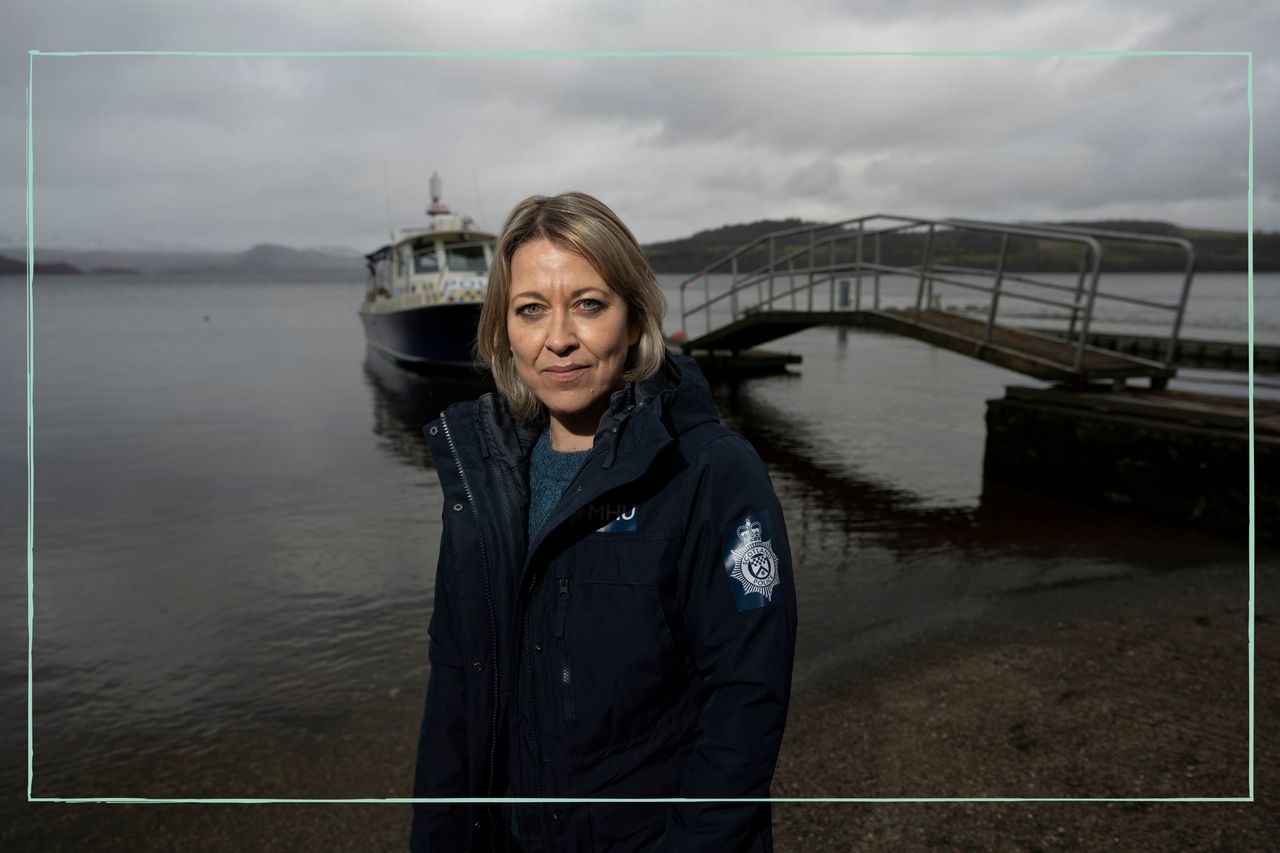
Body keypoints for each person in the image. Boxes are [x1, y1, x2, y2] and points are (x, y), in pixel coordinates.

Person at [411, 191, 797, 852]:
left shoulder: (708, 472)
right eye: (531, 309)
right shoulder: (484, 478)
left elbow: (744, 706)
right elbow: (455, 694)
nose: (559, 338)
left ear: (634, 314)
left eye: (588, 304)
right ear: (503, 327)